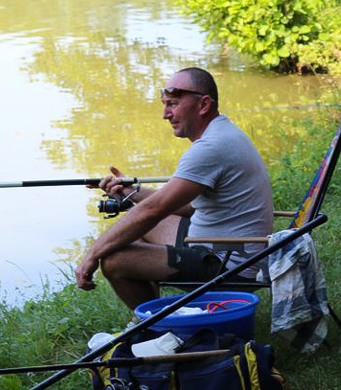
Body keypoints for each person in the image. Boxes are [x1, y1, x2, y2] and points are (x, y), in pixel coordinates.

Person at [75, 67, 274, 310]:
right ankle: (156, 315)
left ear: (203, 105)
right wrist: (131, 193)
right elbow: (186, 205)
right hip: (220, 243)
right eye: (165, 104)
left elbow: (153, 210)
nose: (165, 114)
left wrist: (92, 254)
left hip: (230, 265)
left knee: (114, 260)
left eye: (173, 104)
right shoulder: (224, 133)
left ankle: (160, 326)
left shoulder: (210, 147)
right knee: (134, 227)